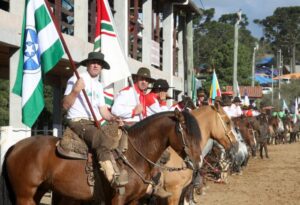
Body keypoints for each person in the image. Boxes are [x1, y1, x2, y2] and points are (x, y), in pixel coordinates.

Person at [62, 51, 128, 187]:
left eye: (99, 63)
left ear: (102, 67)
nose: (96, 65)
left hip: (93, 123)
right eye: (93, 62)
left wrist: (114, 118)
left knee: (122, 134)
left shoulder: (98, 85)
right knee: (102, 139)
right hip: (78, 121)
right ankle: (112, 177)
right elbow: (64, 105)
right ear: (87, 65)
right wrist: (75, 91)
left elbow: (103, 110)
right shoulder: (76, 79)